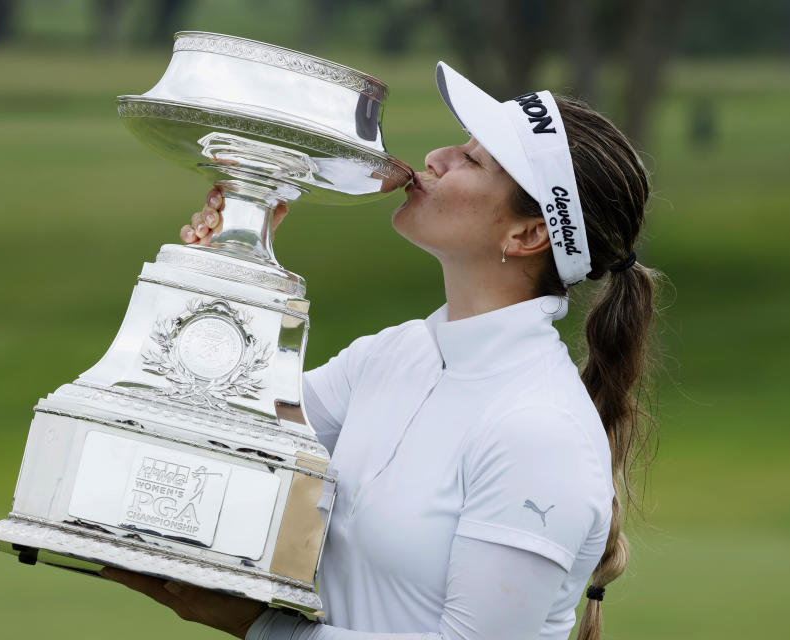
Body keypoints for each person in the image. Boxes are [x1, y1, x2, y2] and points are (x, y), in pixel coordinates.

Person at [102, 61, 660, 640]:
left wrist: (261, 628)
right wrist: (224, 267)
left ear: (527, 236)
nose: (437, 157)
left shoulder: (540, 430)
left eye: (471, 160)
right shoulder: (395, 354)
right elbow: (219, 429)